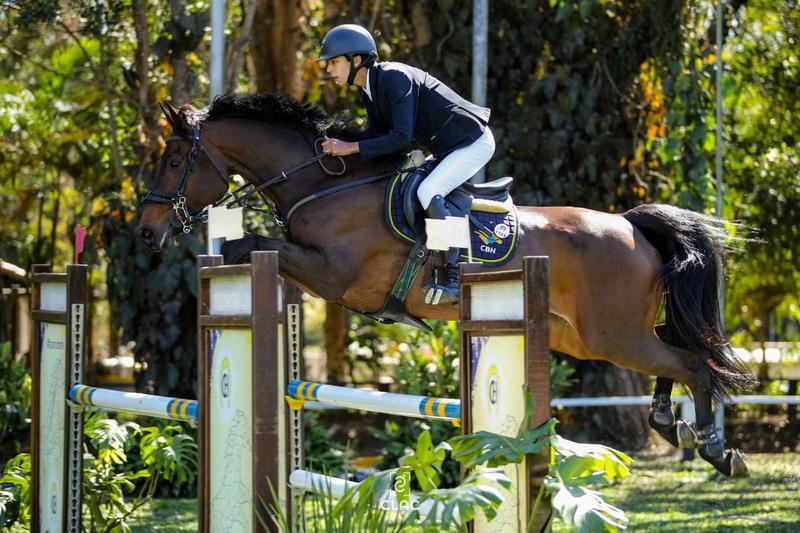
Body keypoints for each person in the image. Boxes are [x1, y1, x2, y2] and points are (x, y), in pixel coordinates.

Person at [318, 23, 495, 303]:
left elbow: (401, 138)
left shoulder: (394, 78)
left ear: (356, 60)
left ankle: (454, 273)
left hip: (472, 142)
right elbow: (378, 137)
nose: (328, 70)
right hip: (447, 148)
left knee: (427, 191)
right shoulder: (370, 89)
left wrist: (349, 147)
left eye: (334, 62)